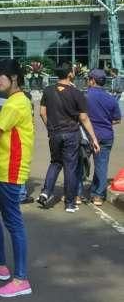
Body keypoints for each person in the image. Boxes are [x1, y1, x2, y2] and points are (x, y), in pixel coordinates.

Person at [0, 59, 34, 298]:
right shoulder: (16, 102)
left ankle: (21, 278)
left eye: (0, 75)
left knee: (13, 223)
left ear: (13, 78)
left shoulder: (15, 104)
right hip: (3, 168)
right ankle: (0, 264)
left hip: (9, 169)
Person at [38, 64, 100, 212]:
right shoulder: (77, 93)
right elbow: (84, 118)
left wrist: (50, 127)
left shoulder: (47, 91)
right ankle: (70, 204)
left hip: (54, 133)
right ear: (70, 75)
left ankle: (46, 192)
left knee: (55, 162)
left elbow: (42, 112)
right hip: (72, 133)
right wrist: (93, 138)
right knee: (70, 167)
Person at [85, 69, 121, 205]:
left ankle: (76, 194)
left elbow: (80, 116)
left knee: (80, 164)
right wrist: (106, 121)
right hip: (106, 135)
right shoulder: (111, 99)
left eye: (89, 79)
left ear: (93, 80)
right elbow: (117, 119)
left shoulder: (86, 96)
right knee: (101, 165)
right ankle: (98, 196)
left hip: (88, 136)